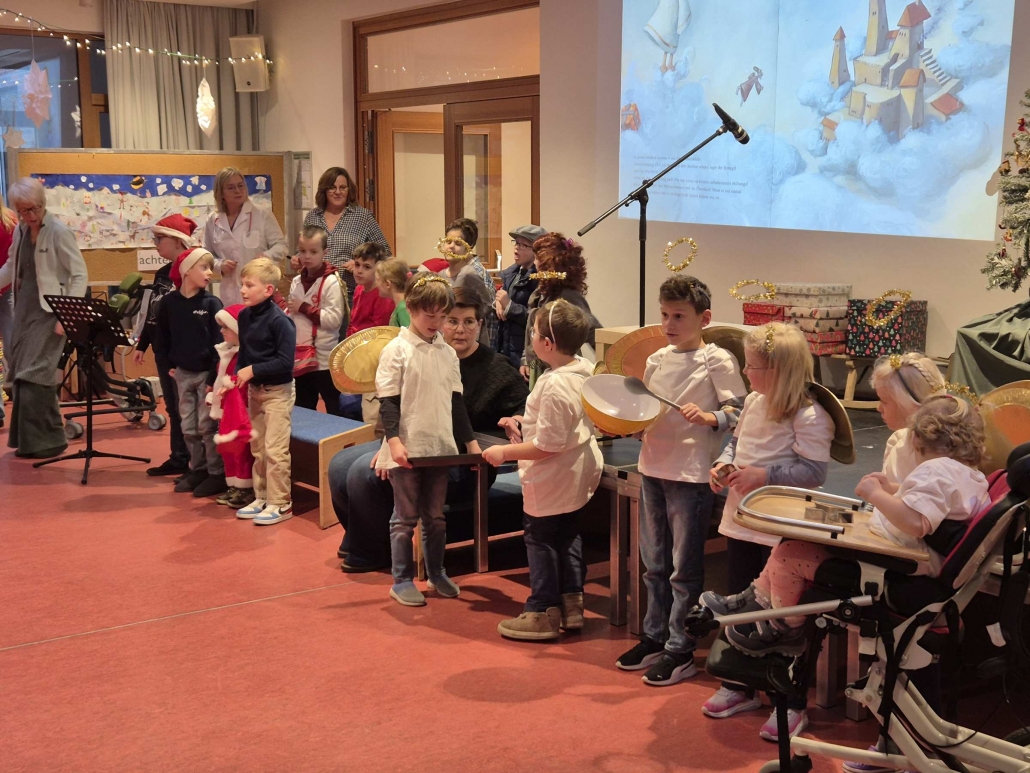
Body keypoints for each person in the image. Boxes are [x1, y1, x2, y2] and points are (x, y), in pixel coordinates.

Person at [722, 397, 989, 659]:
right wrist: (892, 489)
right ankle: (757, 597)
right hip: (919, 561)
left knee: (790, 554)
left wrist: (875, 494)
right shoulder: (971, 476)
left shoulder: (936, 470)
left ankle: (785, 628)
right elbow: (933, 505)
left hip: (901, 561)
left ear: (918, 439)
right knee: (793, 544)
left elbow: (917, 522)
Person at [330, 286, 529, 573]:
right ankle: (360, 538)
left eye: (469, 322)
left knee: (363, 474)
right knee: (339, 464)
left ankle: (370, 552)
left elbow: (525, 403)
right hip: (415, 438)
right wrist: (390, 444)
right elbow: (397, 404)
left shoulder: (495, 365)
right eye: (452, 321)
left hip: (459, 457)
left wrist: (516, 418)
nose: (460, 329)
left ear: (479, 325)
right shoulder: (424, 351)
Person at [700, 322, 834, 741]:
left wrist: (764, 475)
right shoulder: (755, 401)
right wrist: (723, 465)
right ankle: (739, 684)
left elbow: (813, 472)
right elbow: (736, 444)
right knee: (741, 606)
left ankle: (789, 701)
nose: (744, 372)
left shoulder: (810, 415)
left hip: (781, 531)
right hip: (742, 522)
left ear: (777, 371)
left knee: (783, 619)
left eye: (752, 365)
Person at [615, 276, 747, 685]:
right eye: (665, 315)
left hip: (690, 474)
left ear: (704, 318)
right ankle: (654, 637)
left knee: (682, 570)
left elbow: (741, 412)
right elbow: (649, 410)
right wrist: (634, 425)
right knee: (654, 565)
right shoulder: (657, 359)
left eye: (679, 316)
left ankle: (680, 648)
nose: (669, 324)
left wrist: (711, 417)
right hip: (652, 468)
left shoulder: (716, 360)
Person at [483, 299, 603, 641]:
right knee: (567, 535)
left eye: (534, 332)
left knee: (541, 540)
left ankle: (542, 611)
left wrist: (504, 451)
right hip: (575, 471)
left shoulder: (553, 385)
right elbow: (558, 425)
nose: (531, 337)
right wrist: (524, 422)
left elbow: (548, 445)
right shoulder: (582, 370)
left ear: (547, 343)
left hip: (553, 475)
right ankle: (572, 604)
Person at [375, 275, 481, 606]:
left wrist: (471, 444)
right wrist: (394, 441)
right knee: (404, 518)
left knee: (435, 517)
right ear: (411, 308)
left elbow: (456, 402)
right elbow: (388, 402)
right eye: (429, 314)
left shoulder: (447, 353)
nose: (435, 322)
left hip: (439, 447)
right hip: (407, 447)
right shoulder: (396, 350)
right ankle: (402, 579)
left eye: (441, 316)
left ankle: (437, 572)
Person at [0, 178, 88, 458]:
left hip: (51, 313)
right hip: (24, 309)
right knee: (20, 377)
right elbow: (11, 266)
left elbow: (79, 275)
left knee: (34, 376)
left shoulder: (59, 232)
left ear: (43, 203)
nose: (30, 215)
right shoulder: (20, 231)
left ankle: (49, 441)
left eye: (35, 208)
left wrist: (68, 315)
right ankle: (30, 442)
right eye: (24, 210)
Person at [154, 248, 226, 497]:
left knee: (207, 427)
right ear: (186, 270)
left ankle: (216, 473)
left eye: (210, 268)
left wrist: (213, 376)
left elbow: (220, 343)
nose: (209, 273)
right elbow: (161, 336)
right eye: (203, 267)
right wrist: (168, 364)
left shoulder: (211, 303)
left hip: (206, 376)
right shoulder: (169, 303)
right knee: (188, 426)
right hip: (182, 375)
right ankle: (197, 469)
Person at [133, 214, 199, 477]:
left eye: (159, 239)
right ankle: (178, 457)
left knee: (186, 407)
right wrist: (143, 344)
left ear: (177, 241)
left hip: (181, 352)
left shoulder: (192, 272)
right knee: (172, 407)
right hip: (162, 350)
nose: (156, 244)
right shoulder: (162, 274)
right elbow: (153, 313)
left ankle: (195, 462)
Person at [233, 258, 298, 525]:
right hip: (255, 391)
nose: (243, 290)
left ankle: (281, 502)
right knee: (258, 447)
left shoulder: (280, 321)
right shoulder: (244, 316)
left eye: (249, 285)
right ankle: (262, 497)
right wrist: (237, 374)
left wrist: (252, 370)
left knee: (275, 449)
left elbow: (285, 362)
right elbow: (245, 352)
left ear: (268, 290)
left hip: (277, 392)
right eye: (242, 284)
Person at [520, 233, 601, 387]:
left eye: (537, 259)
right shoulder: (540, 293)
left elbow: (592, 330)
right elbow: (531, 329)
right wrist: (526, 359)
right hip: (540, 365)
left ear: (547, 264)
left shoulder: (567, 296)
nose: (534, 263)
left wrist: (609, 364)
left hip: (560, 368)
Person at [203, 167, 288, 308]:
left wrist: (266, 256)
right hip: (229, 292)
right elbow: (206, 254)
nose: (238, 191)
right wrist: (219, 265)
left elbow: (281, 246)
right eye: (231, 187)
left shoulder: (262, 214)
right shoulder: (213, 220)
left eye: (240, 186)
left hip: (259, 291)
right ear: (221, 192)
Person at [303, 166, 391, 303]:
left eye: (343, 187)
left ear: (349, 190)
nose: (338, 192)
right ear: (324, 190)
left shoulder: (363, 217)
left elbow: (385, 253)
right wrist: (298, 259)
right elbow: (302, 250)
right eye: (332, 187)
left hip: (350, 293)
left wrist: (360, 264)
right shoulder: (312, 216)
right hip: (315, 291)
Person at [288, 225, 346, 415]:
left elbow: (334, 320)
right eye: (302, 251)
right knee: (304, 408)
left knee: (334, 408)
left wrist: (304, 307)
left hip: (324, 358)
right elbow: (293, 316)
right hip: (301, 357)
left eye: (313, 252)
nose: (307, 256)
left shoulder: (331, 282)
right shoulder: (296, 282)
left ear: (325, 252)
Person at [209, 304, 255, 510]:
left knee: (242, 450)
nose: (221, 331)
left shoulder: (245, 354)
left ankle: (246, 487)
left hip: (240, 408)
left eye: (225, 327)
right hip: (226, 408)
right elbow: (219, 377)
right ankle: (234, 484)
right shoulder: (226, 351)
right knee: (228, 450)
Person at [436, 218, 498, 348]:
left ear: (468, 248)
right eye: (448, 241)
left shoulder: (470, 273)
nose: (451, 246)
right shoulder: (441, 274)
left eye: (458, 243)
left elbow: (487, 306)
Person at [495, 224, 544, 367]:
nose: (517, 248)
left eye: (524, 245)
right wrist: (497, 302)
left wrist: (509, 306)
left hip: (524, 351)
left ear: (536, 251)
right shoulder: (511, 274)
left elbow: (537, 318)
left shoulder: (539, 279)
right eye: (516, 243)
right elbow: (502, 296)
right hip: (505, 347)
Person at [345, 242, 395, 337]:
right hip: (354, 340)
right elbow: (352, 323)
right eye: (357, 264)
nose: (359, 271)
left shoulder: (383, 295)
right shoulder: (359, 288)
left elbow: (380, 332)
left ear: (378, 269)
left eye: (367, 267)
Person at [0, 196, 17, 429]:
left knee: (14, 349)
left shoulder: (10, 221)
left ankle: (26, 403)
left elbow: (12, 263)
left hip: (6, 290)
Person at [376, 258, 410, 327]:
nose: (376, 284)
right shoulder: (401, 306)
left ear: (387, 284)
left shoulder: (403, 308)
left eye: (377, 280)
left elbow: (409, 333)